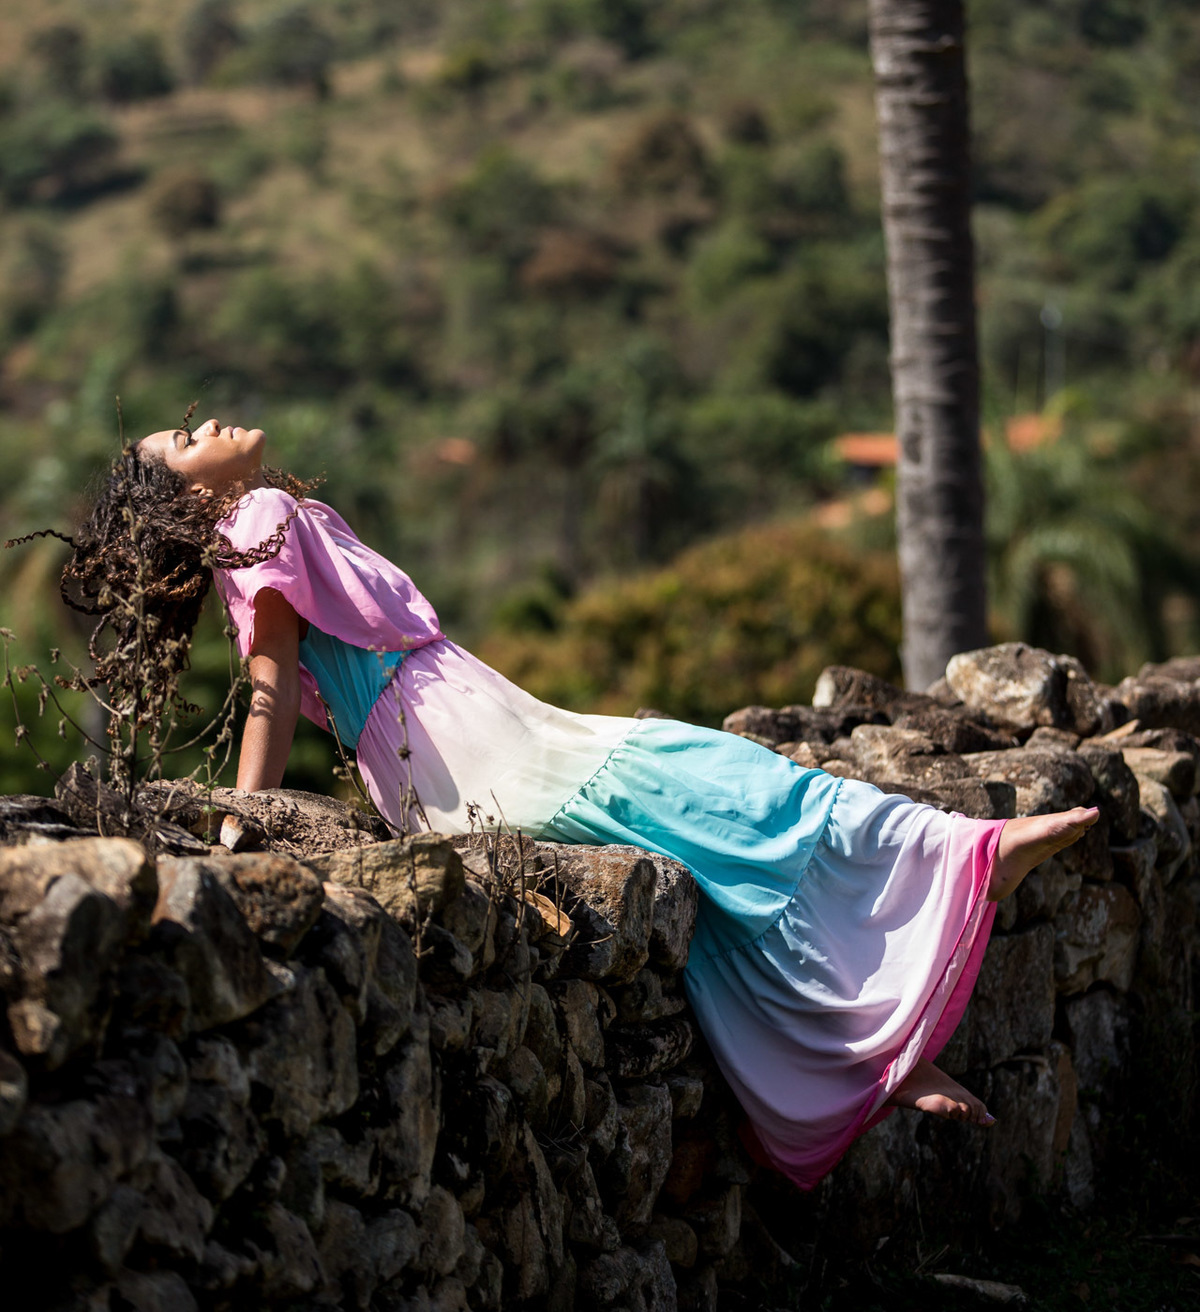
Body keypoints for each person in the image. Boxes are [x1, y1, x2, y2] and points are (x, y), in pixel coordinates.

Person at [60, 417, 1097, 1193]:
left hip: (441, 754)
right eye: (186, 439)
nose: (212, 426)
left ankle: (865, 1059)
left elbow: (283, 680)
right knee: (699, 776)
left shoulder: (260, 522)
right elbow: (273, 686)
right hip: (459, 743)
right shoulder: (254, 520)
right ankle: (953, 850)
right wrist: (247, 820)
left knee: (682, 851)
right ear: (186, 500)